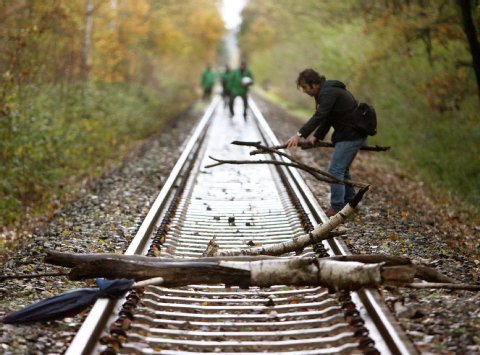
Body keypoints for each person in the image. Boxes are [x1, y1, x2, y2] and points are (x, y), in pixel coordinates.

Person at [285, 68, 367, 217]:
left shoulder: (328, 92)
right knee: (342, 170)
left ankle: (337, 208)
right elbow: (328, 117)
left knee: (335, 170)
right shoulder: (325, 92)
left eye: (305, 87)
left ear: (314, 84)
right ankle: (351, 203)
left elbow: (320, 115)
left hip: (352, 135)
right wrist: (317, 136)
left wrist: (299, 134)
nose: (304, 91)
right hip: (349, 134)